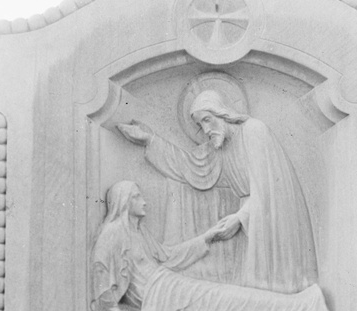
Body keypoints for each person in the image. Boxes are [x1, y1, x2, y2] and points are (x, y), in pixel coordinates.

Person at [90, 180, 331, 311]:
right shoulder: (113, 233)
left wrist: (208, 236)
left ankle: (300, 305)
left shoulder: (138, 232)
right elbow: (101, 270)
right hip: (162, 295)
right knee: (228, 299)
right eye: (136, 196)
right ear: (123, 202)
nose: (144, 201)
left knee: (229, 297)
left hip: (170, 288)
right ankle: (300, 305)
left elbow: (169, 256)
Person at [117, 89, 318, 295]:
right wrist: (150, 140)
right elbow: (190, 167)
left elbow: (269, 190)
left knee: (271, 288)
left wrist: (240, 218)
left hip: (271, 218)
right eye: (200, 124)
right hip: (251, 217)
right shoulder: (221, 147)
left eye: (207, 119)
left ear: (222, 114)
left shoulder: (254, 131)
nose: (205, 129)